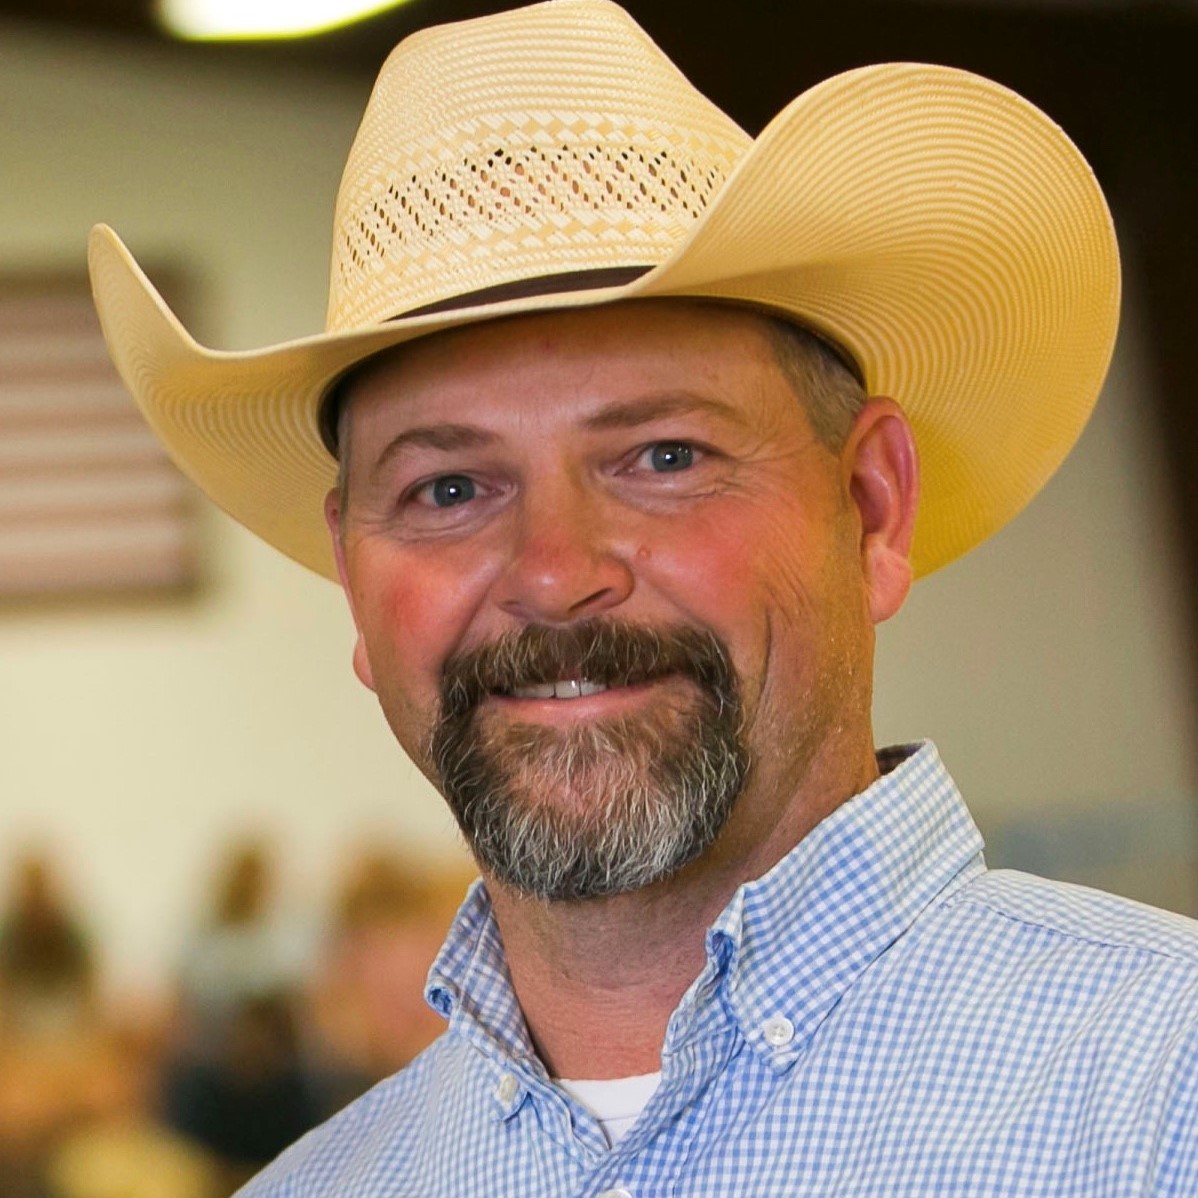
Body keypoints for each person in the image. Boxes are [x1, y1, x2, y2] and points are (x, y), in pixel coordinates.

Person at [87, 0, 1198, 1193]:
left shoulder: (1163, 1087)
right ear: (355, 584)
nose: (556, 572)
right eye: (447, 487)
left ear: (871, 506)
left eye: (664, 457)